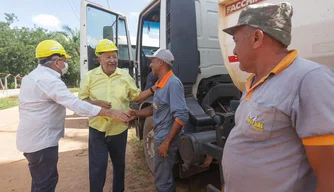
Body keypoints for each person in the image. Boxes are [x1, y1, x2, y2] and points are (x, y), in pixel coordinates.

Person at [221, 2, 334, 192]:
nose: (233, 51)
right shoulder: (255, 82)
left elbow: (330, 179)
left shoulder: (309, 79)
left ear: (257, 38)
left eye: (236, 40)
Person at [16, 39, 130, 192]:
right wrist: (110, 112)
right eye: (64, 61)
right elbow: (76, 104)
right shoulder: (49, 81)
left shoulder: (32, 76)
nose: (65, 64)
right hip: (41, 142)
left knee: (40, 182)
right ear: (57, 62)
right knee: (45, 184)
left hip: (33, 140)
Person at [78, 39, 155, 192]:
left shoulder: (125, 77)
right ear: (99, 59)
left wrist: (154, 89)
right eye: (108, 57)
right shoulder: (90, 77)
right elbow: (81, 101)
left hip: (119, 129)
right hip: (97, 129)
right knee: (98, 167)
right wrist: (96, 102)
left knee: (119, 165)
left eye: (114, 56)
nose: (112, 60)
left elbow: (136, 96)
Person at [129, 48, 189, 192]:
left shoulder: (173, 84)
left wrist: (166, 142)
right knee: (163, 177)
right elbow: (155, 109)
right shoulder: (160, 83)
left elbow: (182, 116)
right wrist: (136, 113)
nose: (150, 65)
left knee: (163, 181)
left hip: (165, 139)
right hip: (160, 137)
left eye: (153, 62)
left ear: (161, 63)